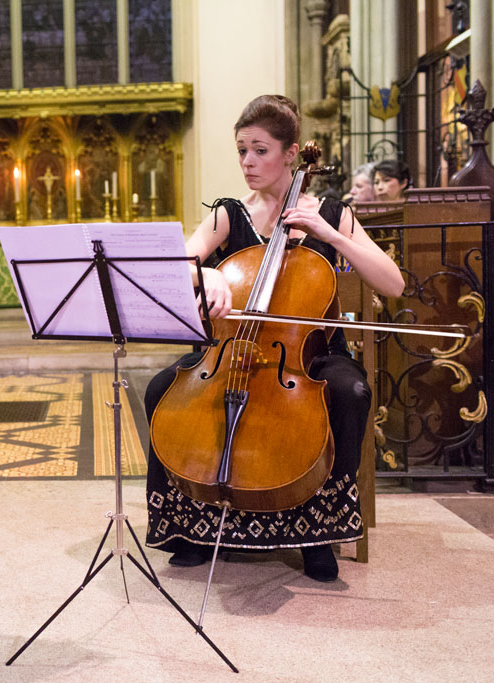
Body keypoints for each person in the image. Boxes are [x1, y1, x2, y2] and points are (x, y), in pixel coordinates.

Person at [145, 95, 404, 582]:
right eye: (242, 150)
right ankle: (191, 526)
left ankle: (318, 529)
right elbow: (175, 264)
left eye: (260, 151)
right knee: (161, 388)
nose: (247, 162)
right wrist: (206, 275)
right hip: (232, 349)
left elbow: (393, 284)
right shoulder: (229, 214)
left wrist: (333, 234)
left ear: (291, 154)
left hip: (310, 357)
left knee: (350, 392)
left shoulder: (331, 213)